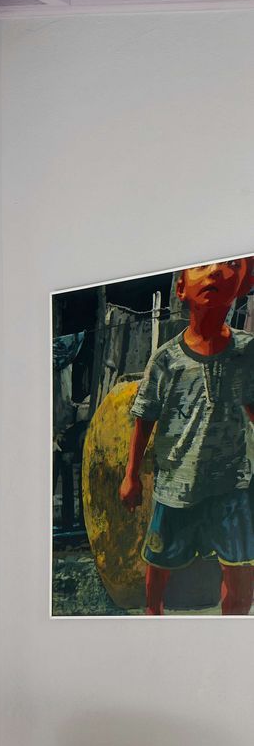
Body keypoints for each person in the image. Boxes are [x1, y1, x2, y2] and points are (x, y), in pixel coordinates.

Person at [120, 258, 254, 615]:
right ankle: (153, 616)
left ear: (242, 283)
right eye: (202, 267)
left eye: (229, 264)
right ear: (181, 288)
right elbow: (144, 418)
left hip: (233, 484)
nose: (214, 272)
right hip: (176, 486)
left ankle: (234, 634)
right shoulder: (166, 360)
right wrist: (131, 475)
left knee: (240, 568)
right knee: (159, 563)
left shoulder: (248, 352)